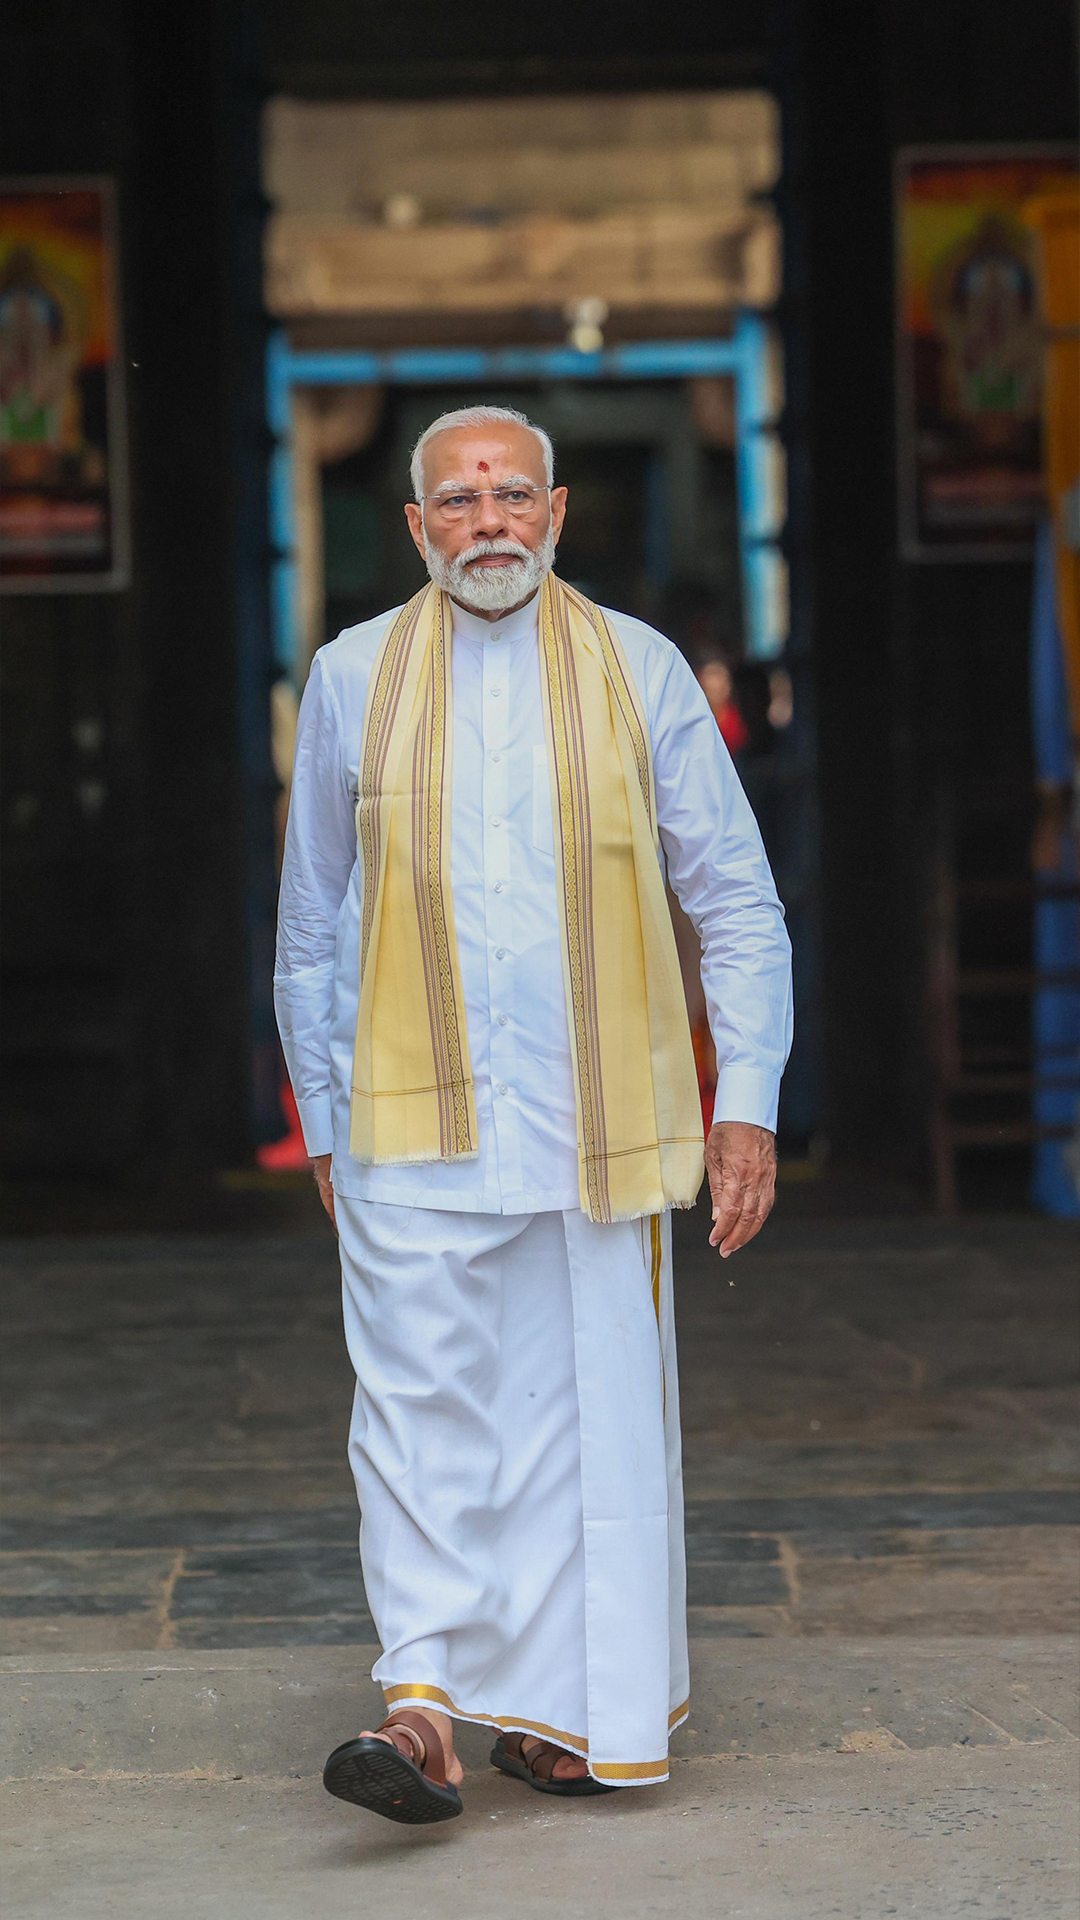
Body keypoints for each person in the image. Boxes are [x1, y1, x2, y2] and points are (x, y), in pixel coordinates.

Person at [274, 405, 793, 1823]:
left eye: (513, 495)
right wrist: (321, 1112)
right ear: (415, 527)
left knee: (587, 1419)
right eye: (457, 499)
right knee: (416, 1414)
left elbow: (735, 900)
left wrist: (742, 1104)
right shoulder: (349, 674)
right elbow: (312, 921)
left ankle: (576, 1715)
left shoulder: (642, 673)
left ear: (559, 516)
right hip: (402, 1116)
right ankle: (423, 1703)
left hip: (596, 1121)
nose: (488, 519)